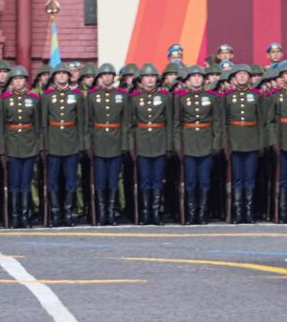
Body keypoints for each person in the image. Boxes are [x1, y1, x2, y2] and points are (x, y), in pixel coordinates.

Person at [171, 65, 224, 224]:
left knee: (204, 180)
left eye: (199, 77)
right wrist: (178, 146)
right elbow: (176, 124)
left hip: (206, 142)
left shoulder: (212, 98)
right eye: (193, 77)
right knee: (191, 180)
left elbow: (217, 123)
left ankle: (202, 213)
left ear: (204, 80)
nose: (196, 79)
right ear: (187, 81)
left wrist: (216, 144)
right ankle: (191, 212)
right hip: (188, 144)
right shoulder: (181, 99)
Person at [40, 63, 86, 227]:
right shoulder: (46, 96)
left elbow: (81, 123)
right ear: (53, 77)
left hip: (71, 143)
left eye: (64, 74)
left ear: (68, 76)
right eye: (58, 74)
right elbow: (43, 124)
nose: (61, 76)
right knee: (53, 181)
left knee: (71, 180)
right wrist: (44, 145)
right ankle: (54, 213)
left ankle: (68, 213)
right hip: (53, 143)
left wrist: (81, 145)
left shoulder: (78, 96)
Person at [0, 65, 39, 228]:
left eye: (21, 79)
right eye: (15, 79)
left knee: (26, 183)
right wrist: (1, 151)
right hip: (11, 145)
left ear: (26, 81)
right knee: (14, 183)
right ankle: (14, 217)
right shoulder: (4, 100)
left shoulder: (34, 99)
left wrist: (38, 147)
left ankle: (25, 216)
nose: (18, 82)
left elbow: (38, 125)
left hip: (28, 145)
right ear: (11, 82)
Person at [129, 63, 171, 225]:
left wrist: (168, 146)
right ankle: (146, 212)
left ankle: (156, 212)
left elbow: (169, 122)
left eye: (152, 76)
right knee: (145, 180)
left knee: (158, 180)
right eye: (146, 77)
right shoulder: (135, 99)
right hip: (142, 143)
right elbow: (131, 125)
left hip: (159, 141)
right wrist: (132, 146)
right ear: (141, 80)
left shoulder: (164, 97)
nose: (150, 79)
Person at [86, 63, 126, 225]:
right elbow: (87, 123)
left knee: (113, 180)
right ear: (100, 78)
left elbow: (126, 122)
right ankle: (102, 213)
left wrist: (124, 145)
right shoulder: (92, 96)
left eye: (110, 74)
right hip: (99, 142)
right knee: (101, 181)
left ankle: (111, 213)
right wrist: (89, 145)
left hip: (115, 142)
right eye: (104, 75)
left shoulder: (122, 95)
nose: (108, 77)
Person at [224, 64, 266, 223]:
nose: (242, 77)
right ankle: (237, 212)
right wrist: (226, 143)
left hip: (252, 141)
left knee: (249, 178)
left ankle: (248, 212)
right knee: (237, 178)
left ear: (249, 78)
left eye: (245, 74)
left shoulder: (256, 95)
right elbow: (223, 122)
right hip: (234, 141)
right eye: (239, 74)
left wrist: (261, 143)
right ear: (234, 78)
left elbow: (261, 121)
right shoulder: (228, 96)